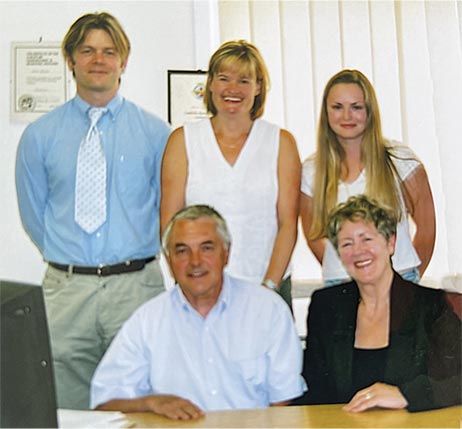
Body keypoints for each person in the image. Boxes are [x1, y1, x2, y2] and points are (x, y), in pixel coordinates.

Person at [15, 12, 170, 409]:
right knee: (65, 408)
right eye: (87, 51)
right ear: (70, 60)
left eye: (108, 51)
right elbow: (35, 215)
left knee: (142, 402)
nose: (98, 60)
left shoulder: (157, 135)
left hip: (136, 289)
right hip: (67, 292)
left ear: (124, 61)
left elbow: (167, 210)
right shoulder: (40, 136)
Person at [90, 205, 306, 419]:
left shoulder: (268, 310)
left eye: (207, 248)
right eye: (182, 251)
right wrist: (152, 402)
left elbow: (284, 400)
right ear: (169, 259)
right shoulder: (147, 320)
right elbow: (104, 403)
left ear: (226, 254)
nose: (195, 262)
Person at [160, 40, 301, 308]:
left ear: (258, 87)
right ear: (210, 83)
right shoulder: (183, 140)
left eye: (244, 80)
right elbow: (170, 224)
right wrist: (191, 284)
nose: (233, 89)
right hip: (199, 290)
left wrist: (269, 289)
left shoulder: (280, 142)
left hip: (267, 288)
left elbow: (287, 224)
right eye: (224, 78)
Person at [295, 195, 461, 412]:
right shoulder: (326, 306)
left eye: (367, 239)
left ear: (390, 243)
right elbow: (315, 391)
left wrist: (406, 394)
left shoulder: (431, 305)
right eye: (347, 243)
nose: (358, 251)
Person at [300, 69, 435, 287]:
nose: (346, 116)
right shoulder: (310, 171)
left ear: (370, 112)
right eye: (337, 107)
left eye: (356, 107)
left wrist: (405, 282)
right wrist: (347, 270)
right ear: (326, 113)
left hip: (399, 280)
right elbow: (313, 235)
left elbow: (427, 231)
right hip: (340, 285)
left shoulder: (400, 160)